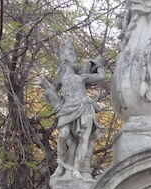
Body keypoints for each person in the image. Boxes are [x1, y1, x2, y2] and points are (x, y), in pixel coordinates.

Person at [40, 36, 106, 179]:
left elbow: (101, 77)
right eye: (73, 58)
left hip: (83, 107)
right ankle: (61, 165)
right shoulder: (62, 79)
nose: (76, 61)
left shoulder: (82, 77)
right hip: (67, 109)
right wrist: (45, 87)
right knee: (63, 135)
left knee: (84, 139)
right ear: (66, 62)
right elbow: (51, 92)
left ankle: (76, 169)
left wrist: (98, 64)